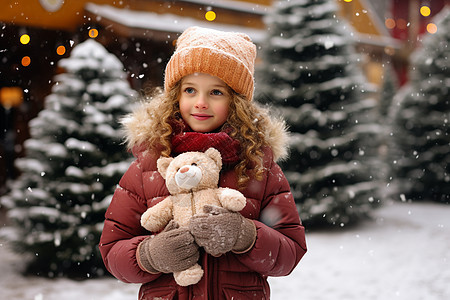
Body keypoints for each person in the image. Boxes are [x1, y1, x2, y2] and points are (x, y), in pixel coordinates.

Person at [99, 26, 307, 300]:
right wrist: (149, 256)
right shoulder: (149, 164)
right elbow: (112, 247)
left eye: (216, 92)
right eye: (190, 89)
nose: (200, 103)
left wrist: (246, 236)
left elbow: (290, 251)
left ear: (236, 102)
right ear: (176, 96)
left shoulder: (258, 166)